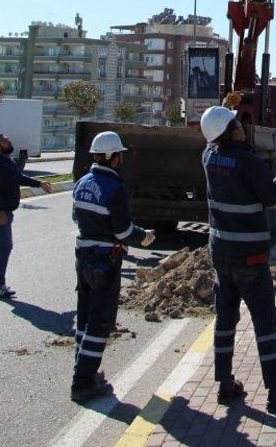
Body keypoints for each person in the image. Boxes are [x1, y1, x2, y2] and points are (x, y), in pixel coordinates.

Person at [200, 104, 276, 410]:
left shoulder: (208, 156)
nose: (242, 126)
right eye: (237, 122)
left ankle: (224, 385)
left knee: (225, 319)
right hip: (250, 257)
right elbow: (270, 198)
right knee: (265, 323)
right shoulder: (247, 162)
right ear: (230, 130)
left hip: (221, 254)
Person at [71, 130, 155, 403]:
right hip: (105, 261)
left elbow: (76, 217)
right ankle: (83, 383)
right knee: (100, 322)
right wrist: (143, 236)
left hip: (83, 257)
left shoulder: (82, 182)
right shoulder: (114, 188)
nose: (121, 159)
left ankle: (83, 371)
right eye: (119, 155)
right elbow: (123, 230)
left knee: (84, 317)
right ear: (112, 157)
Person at [0, 133, 53, 298]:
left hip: (2, 213)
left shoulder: (8, 162)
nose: (9, 141)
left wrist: (39, 183)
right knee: (5, 247)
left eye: (8, 139)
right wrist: (0, 211)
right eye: (4, 140)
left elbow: (19, 178)